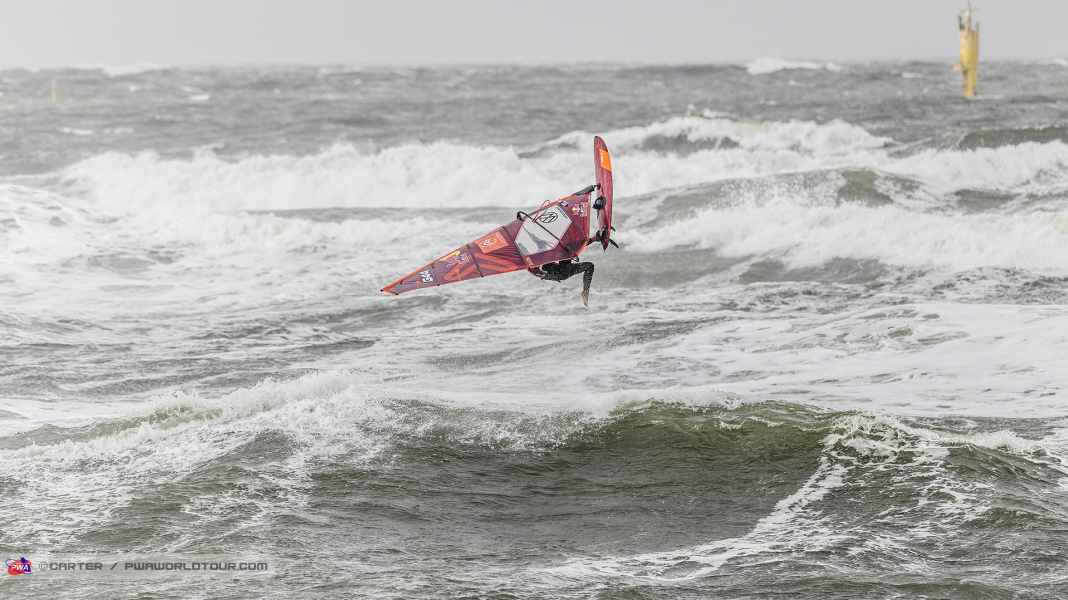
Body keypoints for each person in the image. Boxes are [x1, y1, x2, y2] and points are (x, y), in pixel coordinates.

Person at [531, 258, 595, 306]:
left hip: (566, 268)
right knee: (589, 266)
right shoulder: (540, 261)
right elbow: (537, 273)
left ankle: (585, 291)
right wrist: (551, 277)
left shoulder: (550, 253)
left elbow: (539, 273)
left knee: (590, 266)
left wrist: (593, 240)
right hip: (562, 272)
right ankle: (585, 291)